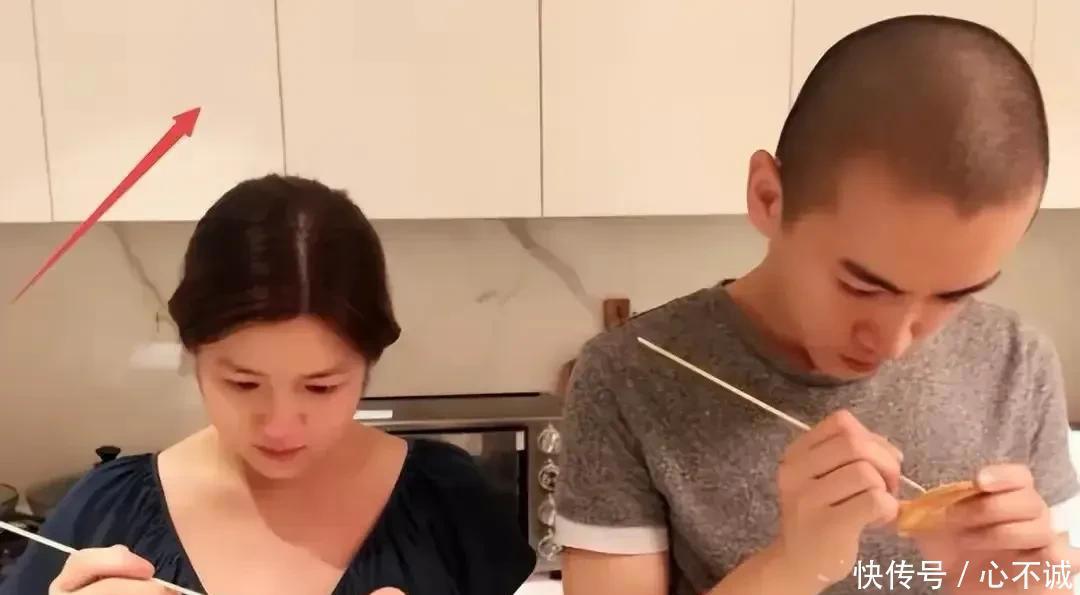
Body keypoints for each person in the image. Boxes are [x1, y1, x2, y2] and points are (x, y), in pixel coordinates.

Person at [554, 14, 1079, 595]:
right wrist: (794, 566)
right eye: (863, 287)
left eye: (955, 295)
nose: (895, 342)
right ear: (768, 198)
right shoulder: (632, 375)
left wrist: (1016, 583)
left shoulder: (1016, 364)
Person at [0, 175, 537, 595]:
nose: (280, 427)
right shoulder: (106, 512)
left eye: (321, 388)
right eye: (243, 384)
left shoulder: (448, 505)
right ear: (194, 353)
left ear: (369, 362)